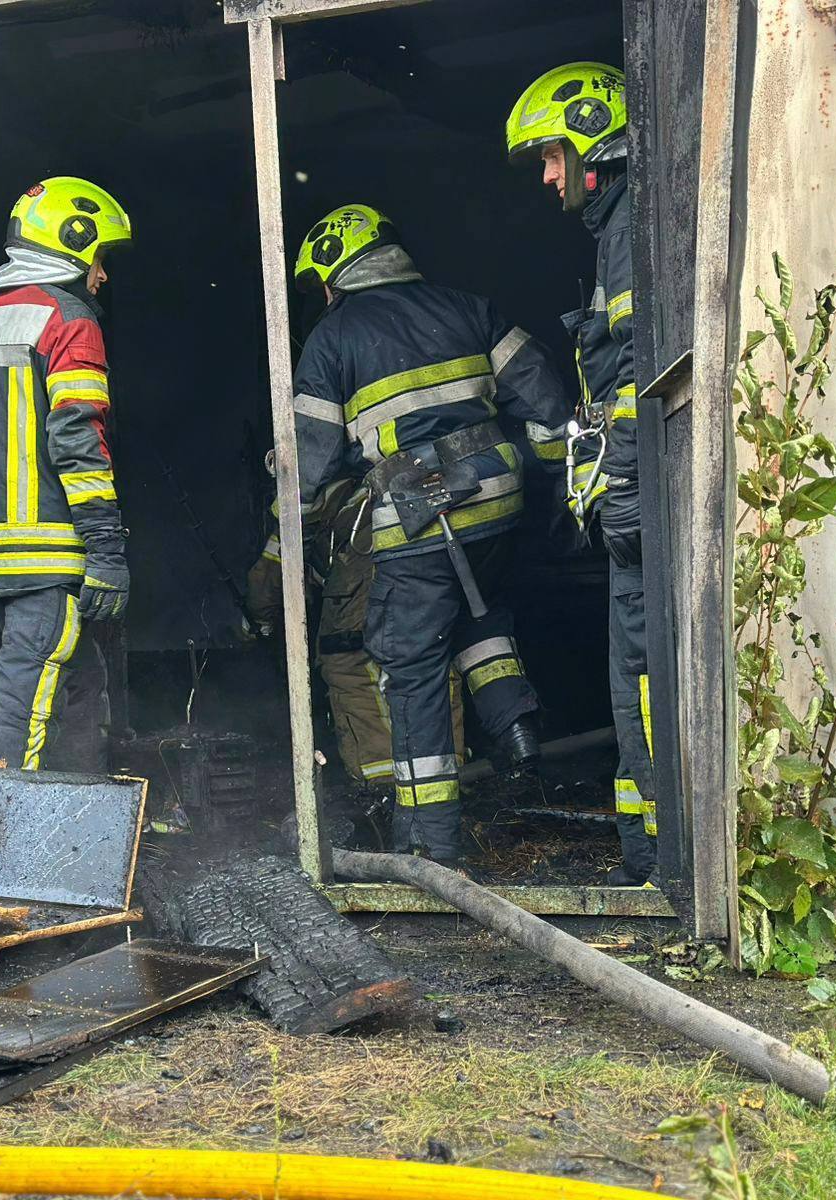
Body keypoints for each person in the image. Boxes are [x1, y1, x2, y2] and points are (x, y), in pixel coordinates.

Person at [288, 203, 571, 865]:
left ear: (335, 272)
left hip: (419, 518)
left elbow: (311, 460)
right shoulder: (468, 307)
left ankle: (430, 844)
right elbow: (544, 397)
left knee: (410, 662)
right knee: (479, 613)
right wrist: (558, 488)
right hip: (497, 500)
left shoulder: (333, 337)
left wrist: (286, 517)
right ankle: (515, 726)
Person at [507, 62, 655, 886]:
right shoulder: (616, 230)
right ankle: (648, 856)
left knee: (641, 682)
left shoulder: (629, 227)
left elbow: (638, 368)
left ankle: (661, 865)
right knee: (631, 681)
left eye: (551, 155)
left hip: (638, 503)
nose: (547, 175)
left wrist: (625, 481)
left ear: (592, 139)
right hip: (628, 505)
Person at [0, 176, 131, 775]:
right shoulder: (69, 320)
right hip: (49, 554)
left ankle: (77, 820)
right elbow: (78, 439)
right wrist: (106, 548)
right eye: (100, 258)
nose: (102, 275)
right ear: (72, 243)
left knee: (79, 686)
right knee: (22, 703)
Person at [246, 477, 465, 791]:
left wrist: (256, 624)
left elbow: (267, 579)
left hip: (361, 578)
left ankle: (384, 788)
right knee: (430, 662)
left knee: (352, 670)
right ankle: (448, 777)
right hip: (425, 564)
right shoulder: (362, 489)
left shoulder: (303, 496)